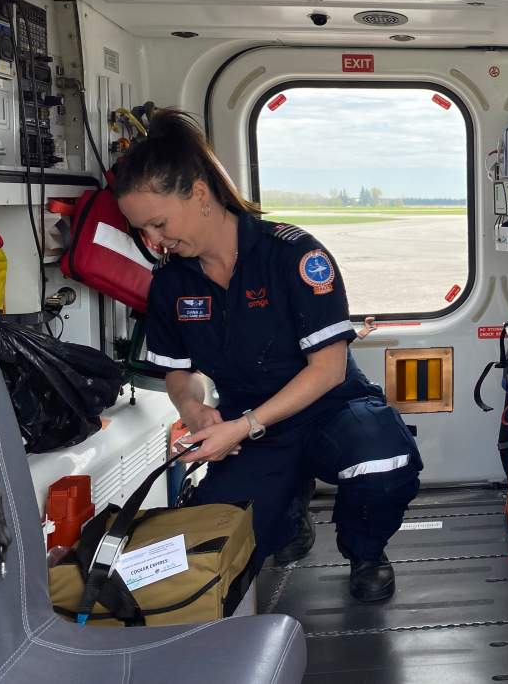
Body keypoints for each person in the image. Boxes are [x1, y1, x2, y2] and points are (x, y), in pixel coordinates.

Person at [115, 109, 422, 601]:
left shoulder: (293, 255)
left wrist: (242, 426)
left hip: (330, 406)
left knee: (382, 459)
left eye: (158, 223)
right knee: (220, 536)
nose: (153, 242)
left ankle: (366, 552)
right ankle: (290, 512)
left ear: (199, 195)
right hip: (251, 423)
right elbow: (179, 373)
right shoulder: (171, 284)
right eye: (142, 232)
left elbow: (328, 369)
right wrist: (194, 410)